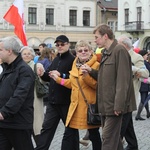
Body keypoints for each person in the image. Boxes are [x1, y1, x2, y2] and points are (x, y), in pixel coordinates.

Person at [82, 24, 133, 150]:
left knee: (108, 139)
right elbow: (105, 76)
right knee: (114, 141)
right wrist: (91, 71)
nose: (95, 40)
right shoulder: (106, 52)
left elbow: (123, 80)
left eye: (97, 37)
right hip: (106, 104)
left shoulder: (119, 50)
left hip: (114, 105)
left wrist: (119, 105)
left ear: (105, 36)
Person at [50, 40, 101, 150]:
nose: (83, 52)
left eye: (86, 50)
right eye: (80, 51)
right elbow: (73, 84)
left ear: (91, 51)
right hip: (75, 106)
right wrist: (58, 80)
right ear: (76, 53)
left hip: (88, 107)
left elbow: (97, 86)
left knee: (94, 135)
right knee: (69, 132)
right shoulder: (75, 65)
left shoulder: (96, 65)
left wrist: (87, 75)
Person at [35, 35, 75, 150]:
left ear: (68, 44)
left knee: (70, 130)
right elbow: (49, 76)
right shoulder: (56, 58)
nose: (60, 46)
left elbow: (74, 78)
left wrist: (61, 75)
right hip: (53, 101)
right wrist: (43, 73)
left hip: (66, 101)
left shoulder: (72, 59)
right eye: (57, 45)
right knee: (46, 129)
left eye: (62, 44)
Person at [0, 36, 35, 150]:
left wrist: (4, 112)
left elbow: (19, 95)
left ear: (9, 51)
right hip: (4, 123)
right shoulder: (6, 68)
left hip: (19, 124)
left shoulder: (24, 70)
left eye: (1, 50)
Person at [117, 36, 146, 150]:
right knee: (128, 125)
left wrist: (132, 68)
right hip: (120, 94)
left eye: (118, 43)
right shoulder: (118, 54)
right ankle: (133, 146)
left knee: (119, 128)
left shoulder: (136, 56)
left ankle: (115, 145)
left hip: (130, 96)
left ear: (124, 45)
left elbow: (145, 73)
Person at [20, 46, 45, 141]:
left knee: (37, 129)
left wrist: (41, 74)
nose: (26, 55)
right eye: (24, 54)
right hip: (21, 101)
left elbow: (43, 82)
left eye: (28, 54)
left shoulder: (37, 66)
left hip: (34, 100)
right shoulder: (17, 67)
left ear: (32, 55)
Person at [135, 50, 150, 120]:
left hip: (143, 83)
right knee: (143, 99)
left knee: (145, 97)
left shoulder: (141, 63)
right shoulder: (144, 64)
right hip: (144, 83)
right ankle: (138, 115)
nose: (147, 56)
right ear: (143, 55)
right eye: (146, 55)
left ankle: (148, 113)